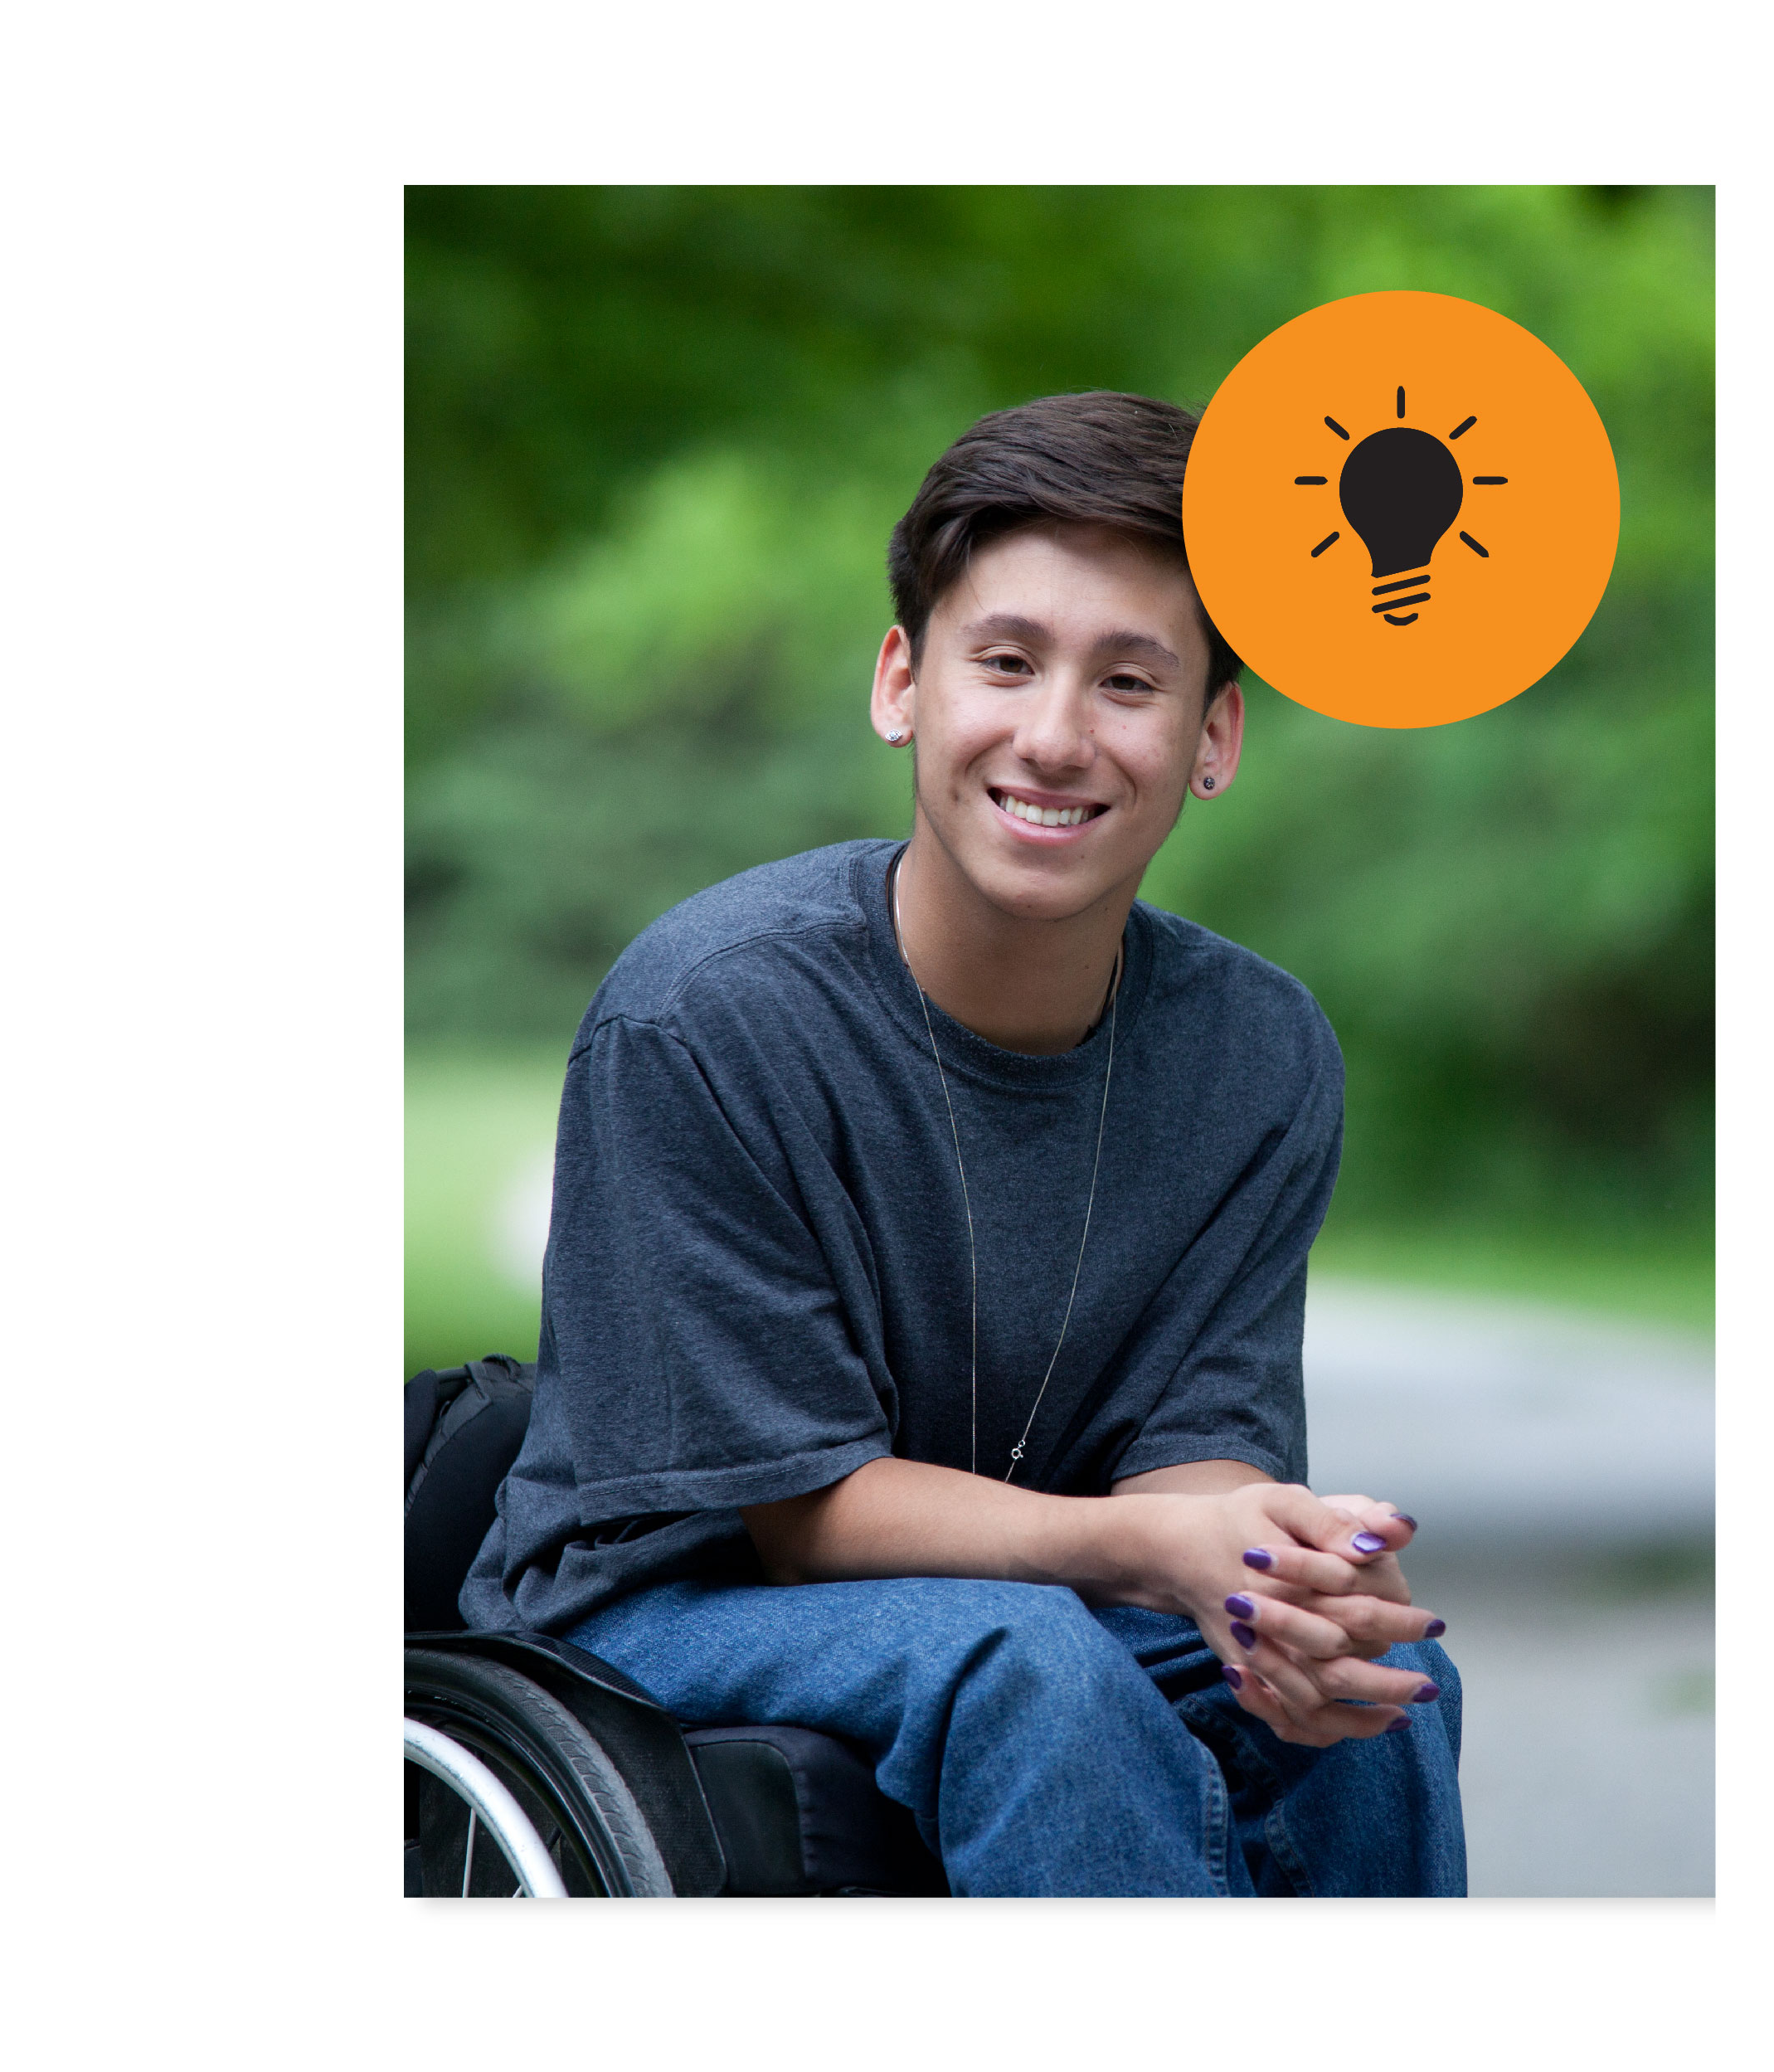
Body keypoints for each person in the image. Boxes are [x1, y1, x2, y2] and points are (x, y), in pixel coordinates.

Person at [461, 391, 1465, 1896]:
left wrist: (1291, 1572)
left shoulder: (1256, 1053)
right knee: (1029, 1670)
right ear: (901, 684)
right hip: (665, 1599)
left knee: (1379, 1705)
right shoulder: (708, 1012)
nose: (1054, 736)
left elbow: (1191, 1457)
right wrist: (1147, 1557)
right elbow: (800, 1519)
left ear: (1214, 736)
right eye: (1005, 662)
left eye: (1130, 681)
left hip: (1018, 1593)